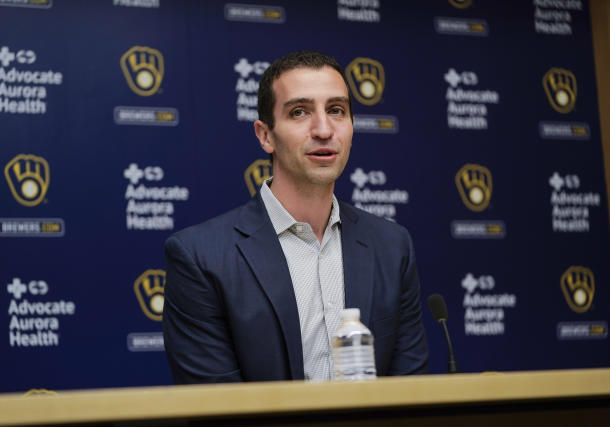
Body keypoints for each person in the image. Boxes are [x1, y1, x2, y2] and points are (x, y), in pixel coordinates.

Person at [163, 50, 429, 383]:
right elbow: (217, 408)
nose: (323, 129)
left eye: (336, 110)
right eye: (299, 112)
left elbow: (411, 394)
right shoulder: (201, 258)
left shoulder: (392, 247)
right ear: (265, 135)